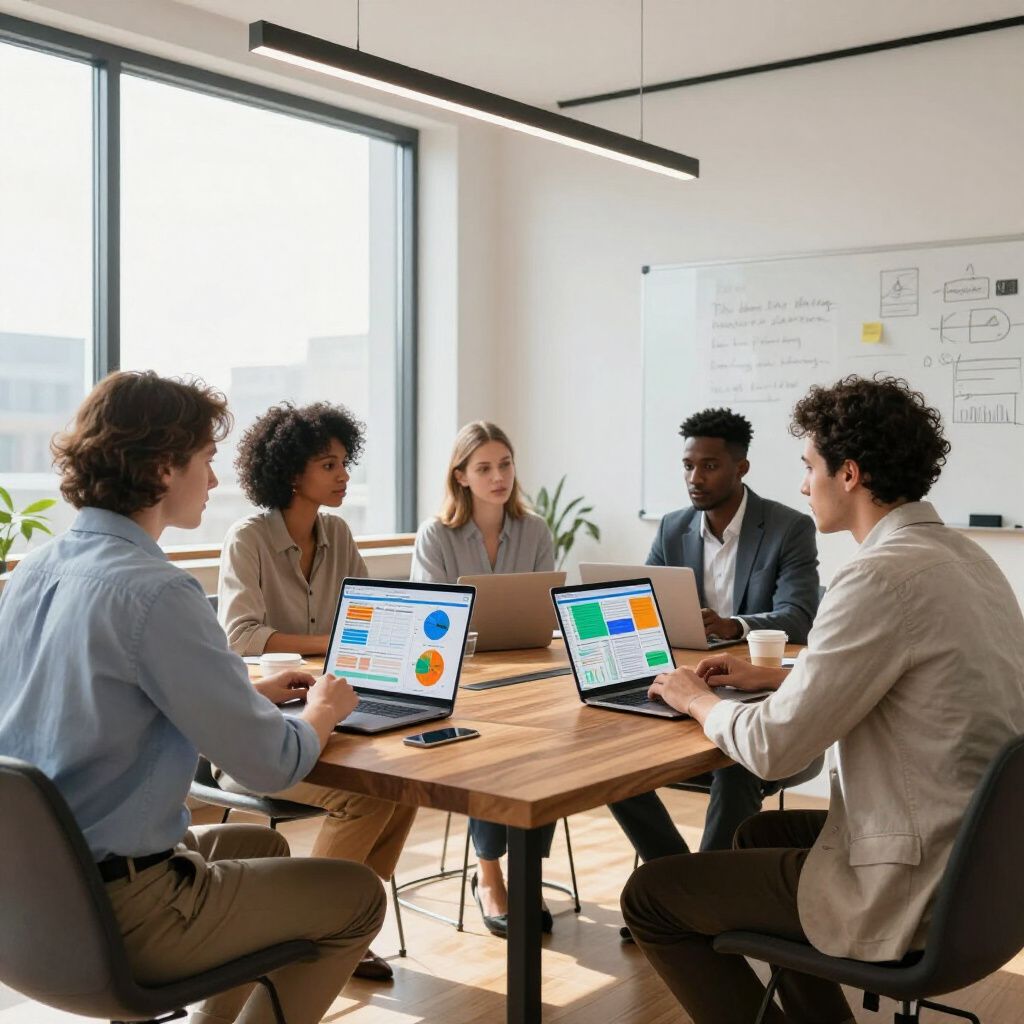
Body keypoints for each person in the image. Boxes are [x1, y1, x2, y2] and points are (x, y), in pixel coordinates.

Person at [621, 375, 1024, 1024]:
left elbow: (774, 752)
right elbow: (917, 682)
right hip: (981, 868)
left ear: (850, 475)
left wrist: (696, 697)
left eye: (810, 467)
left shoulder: (877, 577)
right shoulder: (967, 562)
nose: (803, 484)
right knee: (759, 834)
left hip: (910, 883)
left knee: (651, 896)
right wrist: (782, 678)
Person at [0, 371, 385, 1024]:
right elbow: (271, 763)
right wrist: (321, 711)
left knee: (262, 849)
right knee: (357, 897)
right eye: (205, 461)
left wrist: (241, 690)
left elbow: (93, 702)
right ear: (160, 469)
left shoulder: (33, 570)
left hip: (32, 903)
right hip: (127, 915)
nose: (214, 481)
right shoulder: (157, 592)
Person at [218, 401, 415, 980]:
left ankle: (343, 921)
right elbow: (242, 636)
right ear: (290, 472)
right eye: (328, 464)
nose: (343, 474)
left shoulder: (338, 533)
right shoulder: (247, 538)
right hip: (263, 727)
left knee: (407, 781)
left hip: (331, 716)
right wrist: (331, 640)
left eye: (344, 462)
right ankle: (311, 930)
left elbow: (370, 617)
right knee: (375, 794)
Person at [611, 407, 821, 881]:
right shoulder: (671, 528)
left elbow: (800, 619)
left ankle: (696, 894)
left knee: (736, 765)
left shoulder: (788, 527)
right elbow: (644, 606)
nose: (695, 477)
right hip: (686, 692)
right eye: (688, 465)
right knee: (612, 759)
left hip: (760, 699)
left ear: (740, 468)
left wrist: (733, 626)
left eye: (709, 465)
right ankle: (678, 884)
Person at [410, 420, 557, 938]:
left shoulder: (535, 530)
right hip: (461, 682)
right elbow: (431, 625)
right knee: (492, 745)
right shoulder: (438, 535)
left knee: (551, 743)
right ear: (462, 476)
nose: (499, 477)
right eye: (485, 468)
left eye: (505, 465)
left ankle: (526, 870)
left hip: (527, 672)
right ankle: (489, 872)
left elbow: (541, 614)